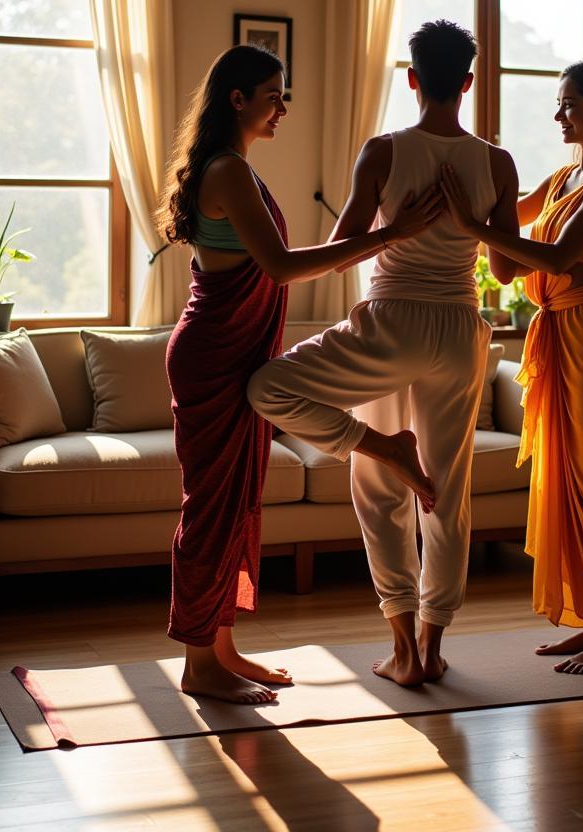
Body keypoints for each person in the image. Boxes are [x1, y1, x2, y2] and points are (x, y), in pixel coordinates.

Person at [159, 44, 441, 705]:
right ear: (239, 99)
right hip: (213, 357)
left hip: (237, 357)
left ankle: (222, 649)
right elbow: (282, 267)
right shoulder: (226, 171)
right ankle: (199, 665)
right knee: (209, 512)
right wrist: (385, 236)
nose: (282, 107)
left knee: (235, 509)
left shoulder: (235, 168)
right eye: (274, 95)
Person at [249, 21, 519, 687]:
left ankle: (402, 648)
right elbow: (508, 273)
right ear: (467, 82)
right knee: (447, 492)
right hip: (459, 327)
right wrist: (474, 226)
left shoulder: (383, 151)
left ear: (412, 78)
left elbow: (345, 249)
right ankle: (431, 647)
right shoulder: (498, 161)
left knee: (364, 471)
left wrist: (395, 231)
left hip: (392, 322)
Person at [439, 57, 583, 675]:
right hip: (558, 331)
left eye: (569, 105)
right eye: (558, 105)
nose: (559, 115)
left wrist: (479, 223)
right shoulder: (563, 178)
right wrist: (474, 192)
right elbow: (506, 256)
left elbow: (557, 255)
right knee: (569, 477)